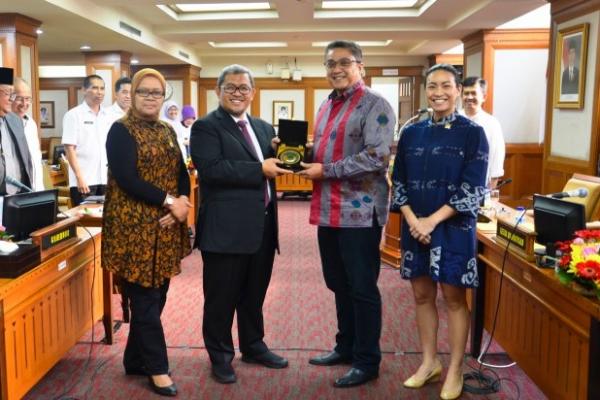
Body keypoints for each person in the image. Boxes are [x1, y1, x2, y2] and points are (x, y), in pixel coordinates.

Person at [297, 40, 395, 388]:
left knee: (362, 287)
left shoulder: (376, 104)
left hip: (360, 212)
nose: (336, 69)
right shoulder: (327, 104)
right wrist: (299, 152)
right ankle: (346, 347)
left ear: (360, 67)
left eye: (344, 62)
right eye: (330, 63)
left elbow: (377, 157)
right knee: (338, 283)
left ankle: (367, 361)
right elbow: (327, 149)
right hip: (329, 209)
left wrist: (326, 170)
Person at [391, 64, 488, 400]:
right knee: (421, 295)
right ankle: (429, 362)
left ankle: (456, 368)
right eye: (432, 86)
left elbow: (472, 188)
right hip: (414, 226)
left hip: (453, 227)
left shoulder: (473, 132)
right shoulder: (411, 132)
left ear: (458, 90)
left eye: (446, 85)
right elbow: (398, 181)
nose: (438, 92)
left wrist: (431, 221)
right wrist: (413, 220)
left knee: (453, 299)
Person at [190, 64, 290, 384]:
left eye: (243, 88)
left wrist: (289, 154)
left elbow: (274, 163)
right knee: (221, 299)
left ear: (253, 93)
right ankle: (220, 356)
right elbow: (212, 169)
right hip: (226, 231)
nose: (237, 93)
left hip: (262, 227)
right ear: (218, 91)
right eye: (230, 87)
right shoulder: (206, 127)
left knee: (254, 294)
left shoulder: (263, 128)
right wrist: (259, 169)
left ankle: (253, 345)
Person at [102, 68, 191, 397]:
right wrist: (170, 202)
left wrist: (183, 202)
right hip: (134, 229)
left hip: (164, 226)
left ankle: (135, 359)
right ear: (133, 95)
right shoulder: (120, 130)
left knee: (159, 294)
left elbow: (181, 172)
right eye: (144, 92)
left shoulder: (167, 130)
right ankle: (157, 368)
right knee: (146, 299)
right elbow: (128, 178)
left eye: (157, 92)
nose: (151, 98)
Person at [62, 74, 112, 206]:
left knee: (106, 217)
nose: (99, 92)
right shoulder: (73, 115)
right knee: (85, 218)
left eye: (102, 88)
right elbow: (69, 149)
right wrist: (79, 178)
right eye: (95, 88)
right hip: (84, 181)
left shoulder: (108, 116)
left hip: (106, 179)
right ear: (84, 90)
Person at [461, 76, 505, 189]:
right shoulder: (453, 119)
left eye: (473, 93)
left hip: (479, 185)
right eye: (466, 93)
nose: (469, 97)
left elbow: (497, 158)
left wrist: (491, 188)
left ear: (484, 97)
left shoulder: (492, 123)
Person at [0, 67, 33, 195]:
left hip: (18, 194)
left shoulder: (16, 120)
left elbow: (26, 160)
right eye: (8, 93)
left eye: (13, 94)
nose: (11, 99)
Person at [12, 77, 44, 191]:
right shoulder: (3, 123)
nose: (24, 103)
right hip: (14, 190)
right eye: (19, 98)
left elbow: (36, 158)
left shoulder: (31, 123)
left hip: (35, 189)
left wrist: (40, 188)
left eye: (28, 99)